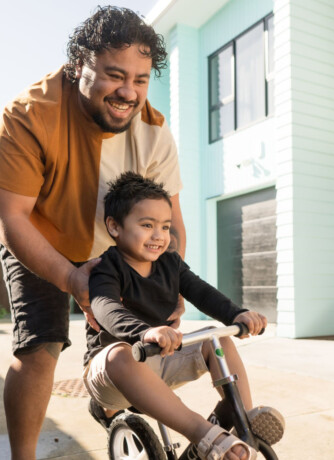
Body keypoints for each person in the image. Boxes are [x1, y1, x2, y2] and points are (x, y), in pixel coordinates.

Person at [0, 6, 186, 459]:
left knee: (132, 338)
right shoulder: (28, 115)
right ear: (78, 63)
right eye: (114, 75)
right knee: (41, 344)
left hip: (113, 246)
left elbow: (170, 219)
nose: (128, 91)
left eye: (141, 79)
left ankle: (105, 406)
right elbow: (12, 219)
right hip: (41, 238)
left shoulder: (154, 131)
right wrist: (70, 279)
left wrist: (170, 280)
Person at [83, 172, 285, 460]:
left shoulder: (170, 263)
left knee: (217, 339)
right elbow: (104, 306)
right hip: (116, 374)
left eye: (165, 227)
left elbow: (202, 292)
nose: (159, 236)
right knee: (119, 354)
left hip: (161, 359)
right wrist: (144, 332)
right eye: (147, 225)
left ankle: (244, 422)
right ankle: (202, 433)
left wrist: (237, 314)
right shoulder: (108, 266)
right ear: (115, 226)